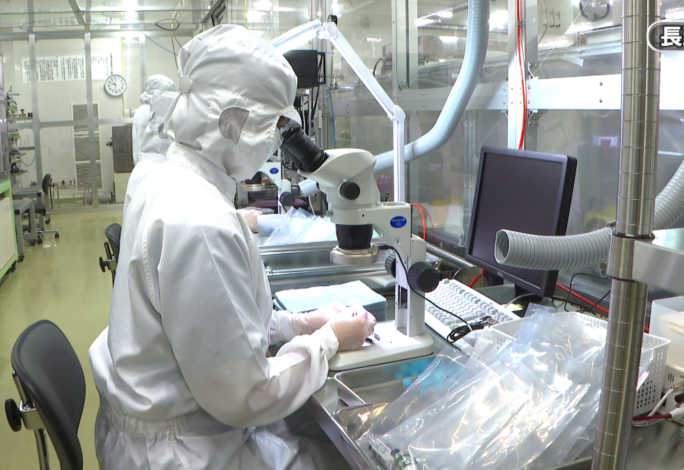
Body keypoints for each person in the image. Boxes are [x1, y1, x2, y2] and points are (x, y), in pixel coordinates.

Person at [89, 24, 376, 470]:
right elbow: (250, 394)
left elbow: (224, 331)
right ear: (235, 121)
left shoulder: (164, 175)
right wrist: (329, 340)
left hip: (174, 423)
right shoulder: (200, 220)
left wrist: (298, 324)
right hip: (184, 452)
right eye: (273, 126)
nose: (274, 141)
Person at [131, 75, 176, 165]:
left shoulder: (146, 109)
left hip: (148, 164)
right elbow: (147, 145)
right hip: (149, 164)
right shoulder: (148, 111)